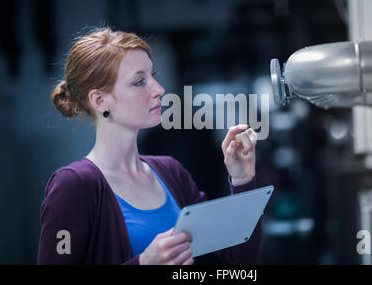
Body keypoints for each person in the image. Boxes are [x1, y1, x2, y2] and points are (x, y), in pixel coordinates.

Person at [37, 27, 261, 265]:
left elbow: (239, 259)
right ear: (100, 100)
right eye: (139, 81)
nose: (158, 89)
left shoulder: (170, 171)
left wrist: (242, 180)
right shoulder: (74, 185)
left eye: (152, 75)